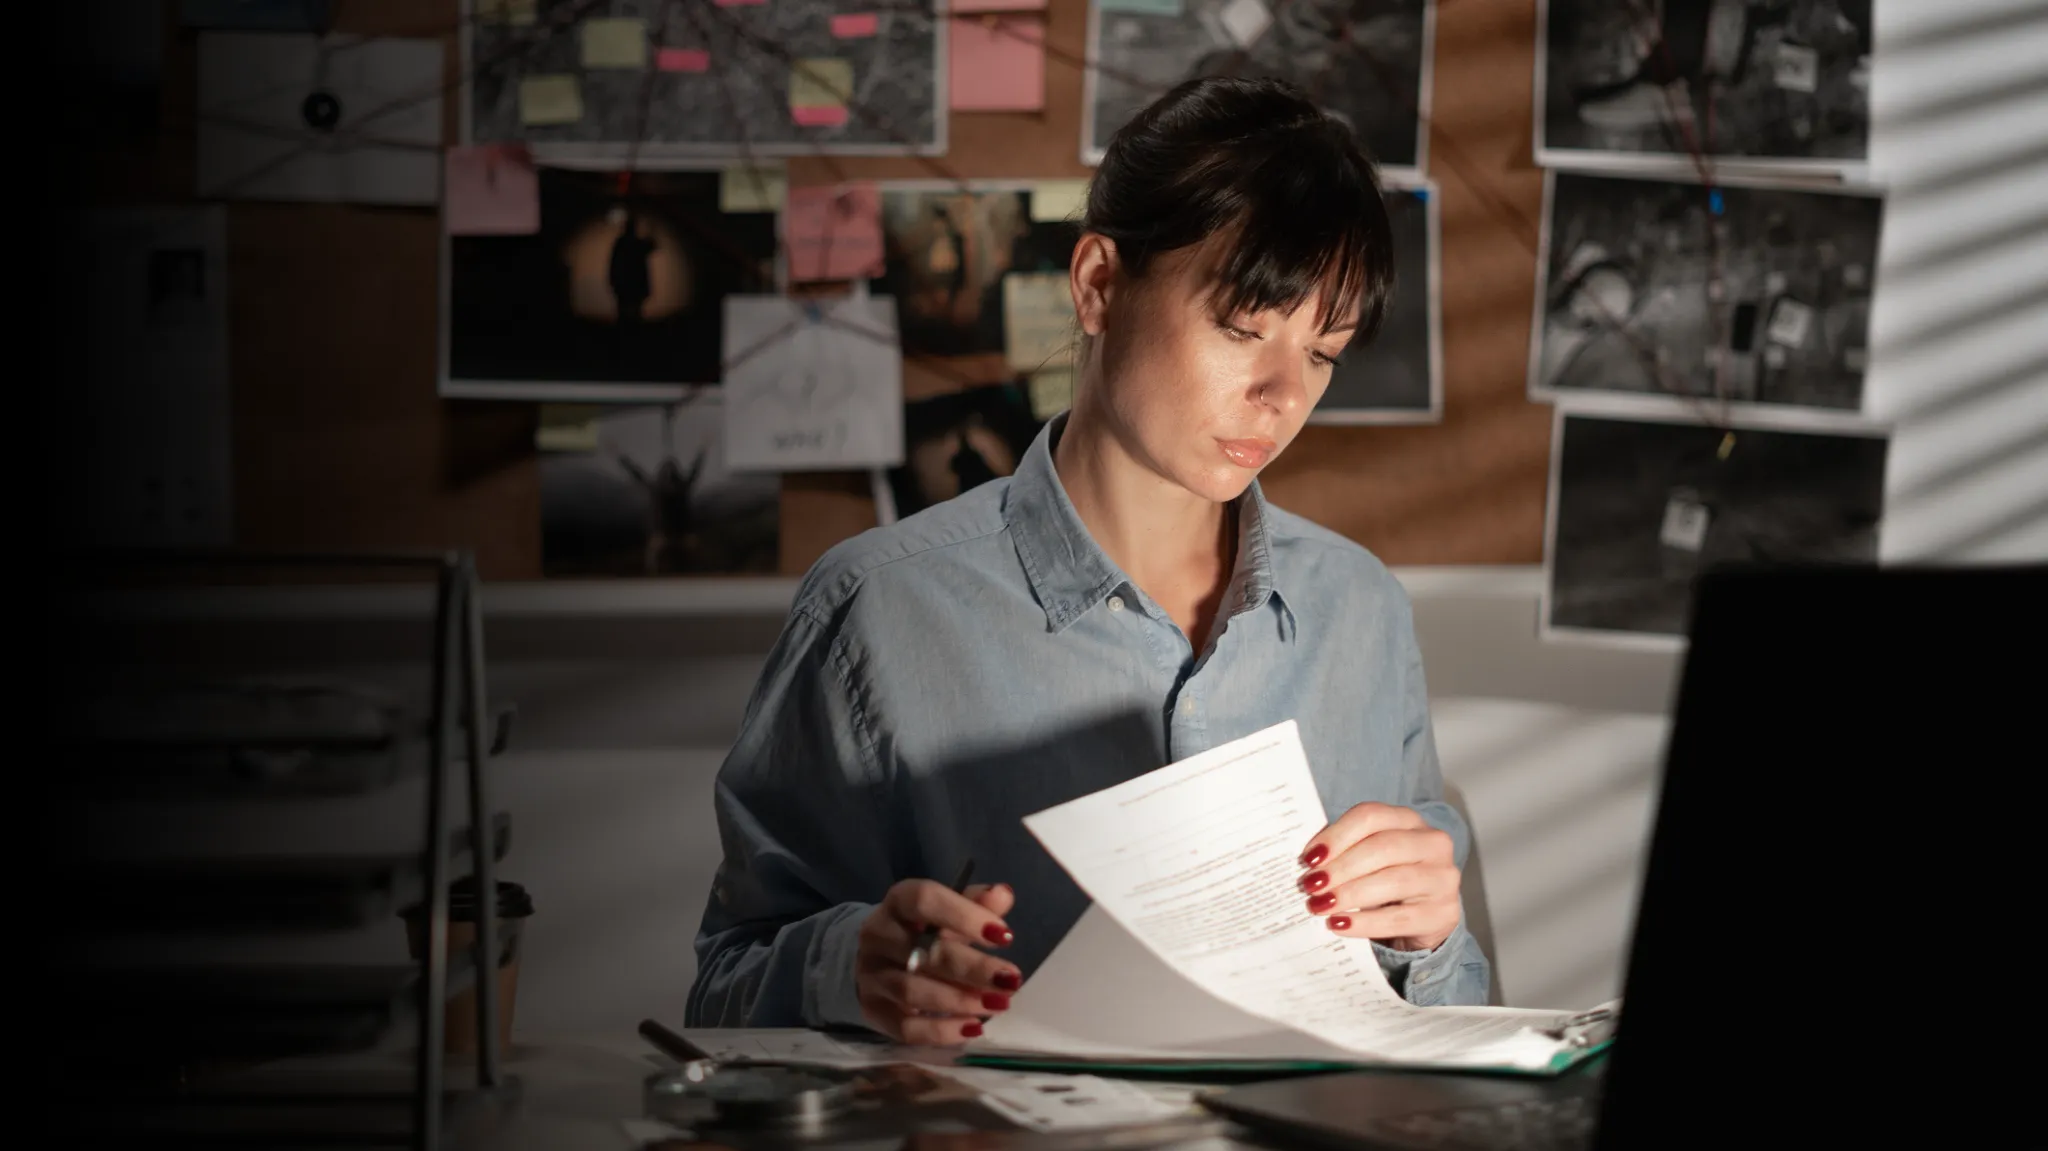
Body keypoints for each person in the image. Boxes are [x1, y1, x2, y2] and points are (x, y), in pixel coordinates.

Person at [687, 76, 1490, 1044]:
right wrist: (848, 966)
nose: (1282, 394)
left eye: (1321, 352)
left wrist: (1428, 935)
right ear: (1099, 284)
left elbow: (1452, 1027)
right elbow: (721, 987)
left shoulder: (1358, 610)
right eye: (1241, 329)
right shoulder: (877, 611)